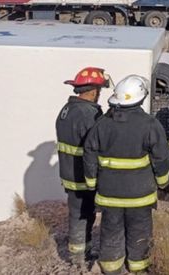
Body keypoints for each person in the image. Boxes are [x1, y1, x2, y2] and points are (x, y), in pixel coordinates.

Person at [83, 75, 169, 275]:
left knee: (111, 231)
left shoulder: (101, 124)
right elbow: (161, 158)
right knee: (139, 232)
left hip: (109, 195)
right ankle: (138, 267)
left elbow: (89, 154)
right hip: (140, 196)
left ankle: (111, 268)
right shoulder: (150, 125)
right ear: (141, 98)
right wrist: (163, 182)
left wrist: (91, 183)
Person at [56, 67, 109, 268]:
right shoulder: (89, 114)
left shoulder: (66, 109)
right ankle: (78, 258)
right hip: (83, 175)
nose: (100, 95)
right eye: (99, 91)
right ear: (93, 91)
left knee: (80, 212)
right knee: (82, 214)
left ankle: (83, 251)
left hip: (69, 173)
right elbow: (95, 146)